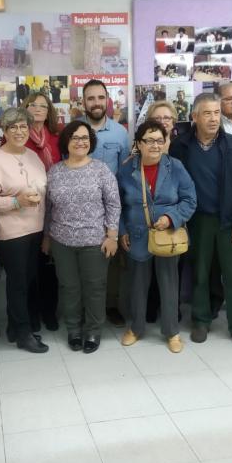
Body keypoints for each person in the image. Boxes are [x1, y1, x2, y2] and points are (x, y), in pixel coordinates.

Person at [169, 93, 232, 350]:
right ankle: (201, 320)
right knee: (200, 273)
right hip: (197, 221)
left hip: (229, 222)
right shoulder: (181, 147)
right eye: (207, 113)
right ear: (194, 117)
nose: (214, 118)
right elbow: (173, 185)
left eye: (217, 112)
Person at [119, 120, 196, 352]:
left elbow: (190, 199)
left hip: (168, 236)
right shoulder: (126, 169)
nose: (155, 145)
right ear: (139, 144)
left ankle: (172, 332)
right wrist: (121, 230)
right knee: (137, 286)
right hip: (137, 235)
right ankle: (136, 328)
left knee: (169, 284)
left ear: (166, 143)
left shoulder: (176, 167)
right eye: (149, 140)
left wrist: (171, 217)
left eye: (159, 140)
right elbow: (116, 205)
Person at [44, 121, 120, 353]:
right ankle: (74, 330)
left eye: (85, 137)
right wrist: (47, 236)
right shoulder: (55, 171)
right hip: (61, 241)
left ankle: (93, 331)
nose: (80, 142)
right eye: (75, 137)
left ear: (91, 141)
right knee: (69, 287)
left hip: (95, 241)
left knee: (95, 287)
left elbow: (113, 203)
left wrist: (112, 235)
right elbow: (48, 207)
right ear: (66, 141)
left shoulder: (101, 169)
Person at [0, 107, 49, 353]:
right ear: (5, 130)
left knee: (29, 280)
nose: (20, 131)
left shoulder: (33, 156)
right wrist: (15, 202)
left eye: (23, 126)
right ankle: (23, 334)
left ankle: (15, 326)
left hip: (36, 229)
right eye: (13, 127)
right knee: (18, 284)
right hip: (11, 233)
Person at [82, 79, 131, 326]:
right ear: (83, 102)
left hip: (113, 208)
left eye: (101, 98)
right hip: (82, 210)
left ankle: (111, 305)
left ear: (107, 100)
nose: (97, 103)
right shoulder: (74, 130)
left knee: (112, 260)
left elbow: (125, 173)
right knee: (85, 260)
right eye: (91, 98)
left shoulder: (120, 133)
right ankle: (86, 308)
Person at [20, 91, 61, 330]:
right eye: (32, 105)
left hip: (55, 208)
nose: (37, 109)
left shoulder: (56, 137)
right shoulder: (16, 138)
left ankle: (50, 312)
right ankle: (32, 314)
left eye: (43, 106)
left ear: (49, 112)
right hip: (27, 210)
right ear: (25, 108)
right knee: (30, 268)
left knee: (51, 266)